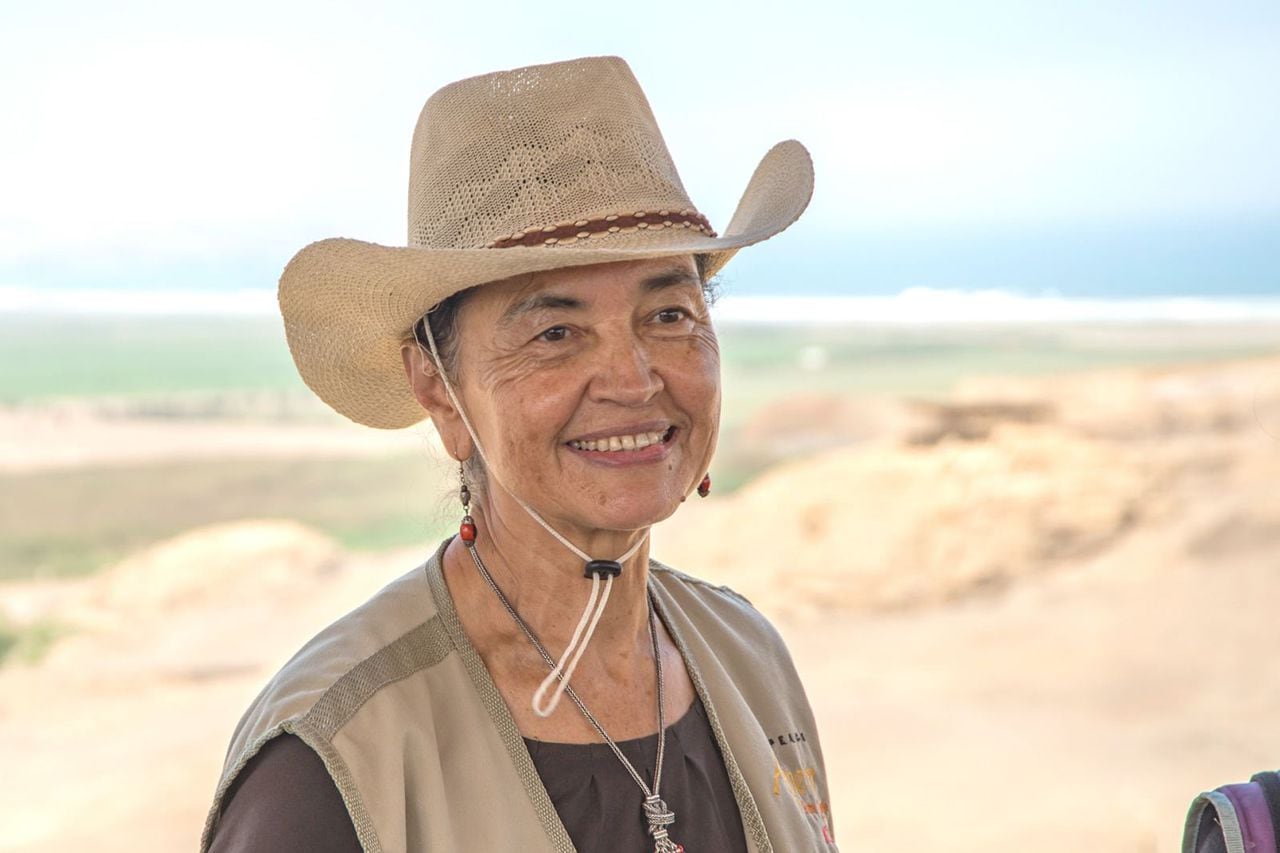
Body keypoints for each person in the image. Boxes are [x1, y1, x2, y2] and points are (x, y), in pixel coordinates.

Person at [201, 55, 835, 853]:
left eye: (669, 313)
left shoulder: (749, 658)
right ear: (436, 383)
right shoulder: (333, 764)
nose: (634, 379)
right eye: (556, 332)